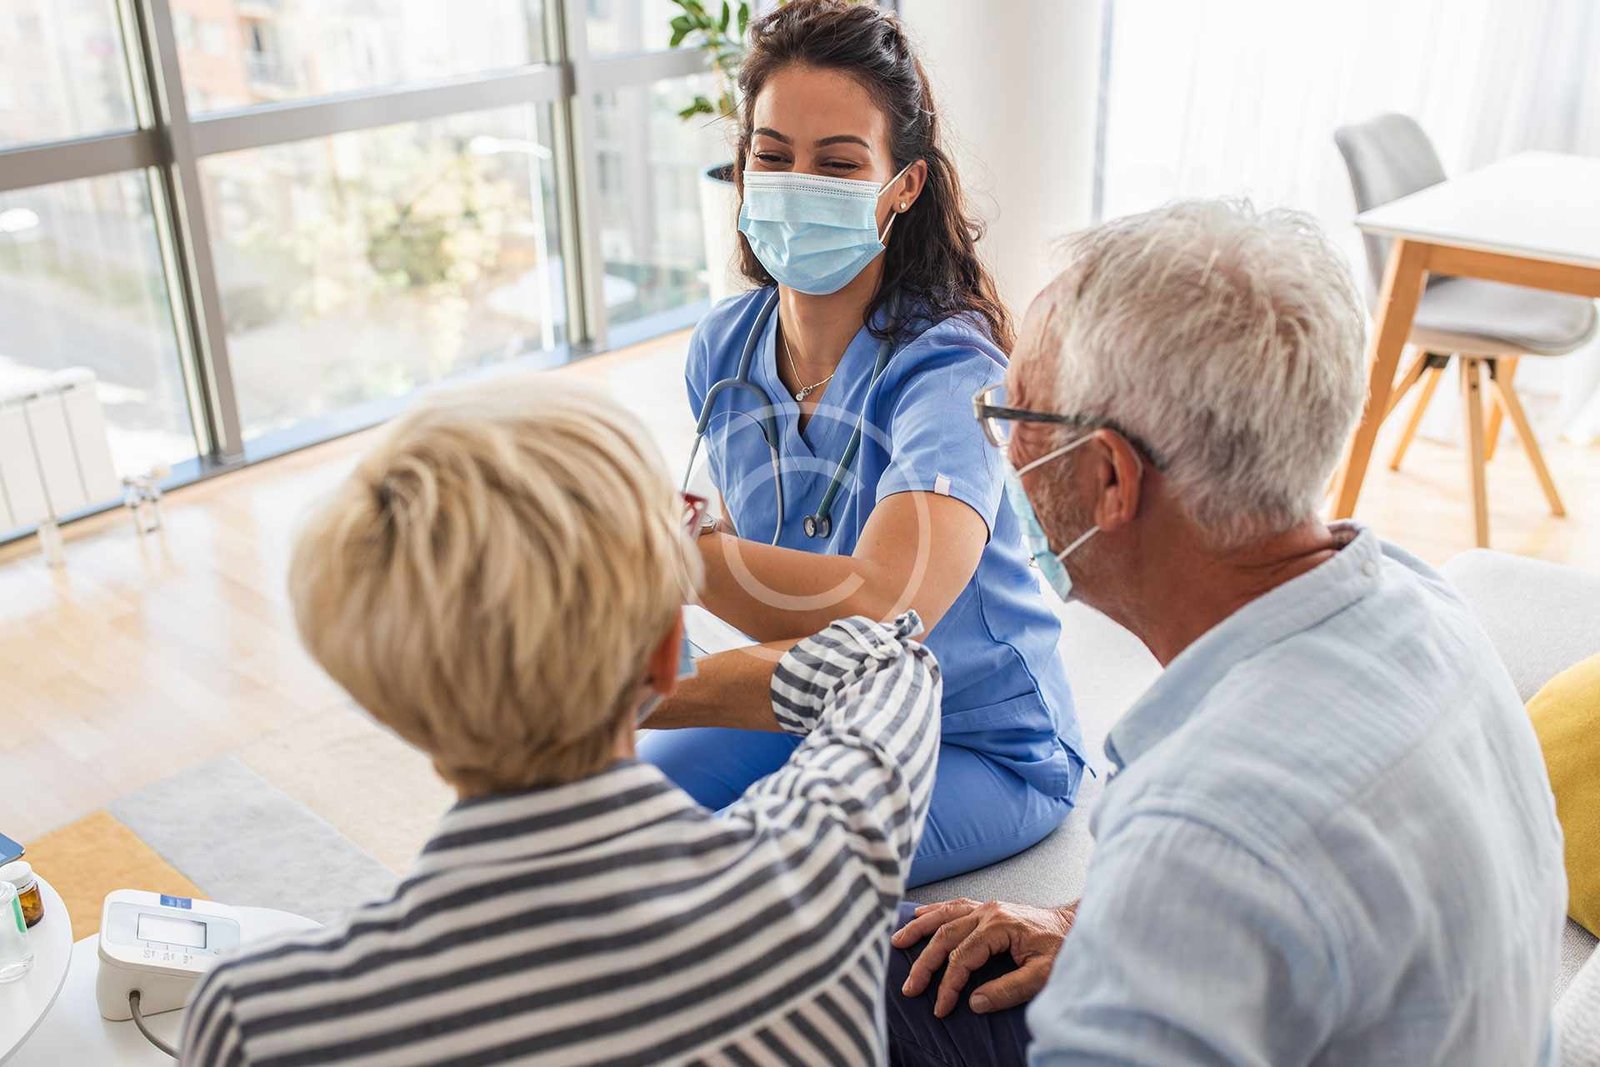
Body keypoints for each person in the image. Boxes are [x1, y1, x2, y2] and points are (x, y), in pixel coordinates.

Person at [886, 200, 1568, 1065]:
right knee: (845, 946)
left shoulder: (1203, 832)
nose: (1006, 452)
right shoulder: (1414, 595)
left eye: (1017, 417)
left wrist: (1150, 915)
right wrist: (1091, 924)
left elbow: (1224, 856)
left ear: (1108, 478)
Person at [178, 375, 945, 1066]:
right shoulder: (826, 862)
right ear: (663, 647)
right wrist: (626, 670)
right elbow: (889, 654)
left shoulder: (261, 1020)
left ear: (391, 701)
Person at [640, 0, 1085, 887]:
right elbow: (765, 572)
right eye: (773, 156)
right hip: (811, 702)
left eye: (839, 164)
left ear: (904, 185)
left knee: (741, 881)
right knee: (623, 832)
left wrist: (657, 551)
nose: (796, 181)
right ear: (742, 167)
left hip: (980, 738)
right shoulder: (723, 350)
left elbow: (883, 606)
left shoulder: (950, 366)